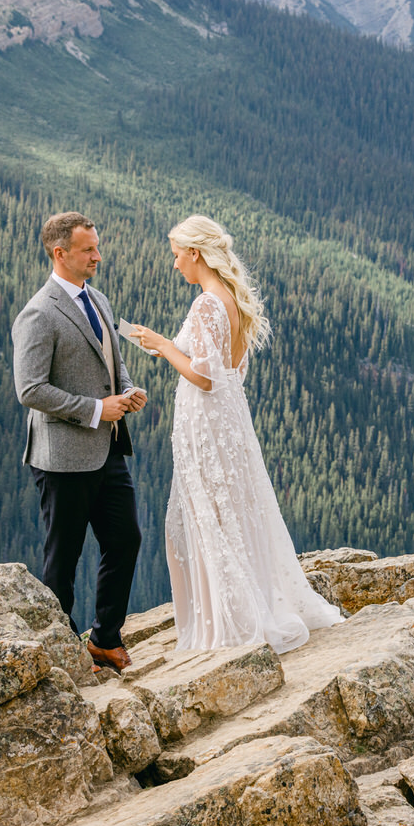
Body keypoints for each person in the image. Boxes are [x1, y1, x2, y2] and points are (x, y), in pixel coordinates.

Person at [127, 215, 341, 651]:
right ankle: (251, 601)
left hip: (207, 419)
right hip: (227, 417)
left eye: (176, 256)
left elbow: (205, 376)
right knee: (236, 509)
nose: (175, 266)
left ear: (195, 253)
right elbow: (232, 370)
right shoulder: (232, 301)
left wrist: (164, 346)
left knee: (212, 511)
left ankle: (231, 617)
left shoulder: (206, 303)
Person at [12, 212, 147, 672]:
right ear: (60, 253)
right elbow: (29, 389)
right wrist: (95, 409)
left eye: (96, 246)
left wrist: (125, 390)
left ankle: (105, 639)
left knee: (126, 539)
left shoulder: (99, 300)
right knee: (62, 561)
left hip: (107, 448)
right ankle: (62, 648)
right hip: (61, 458)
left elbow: (112, 360)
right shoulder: (39, 312)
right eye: (88, 249)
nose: (97, 255)